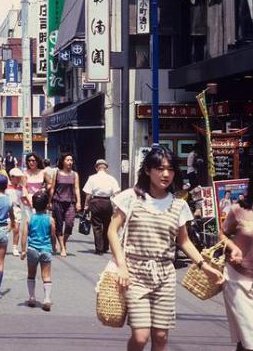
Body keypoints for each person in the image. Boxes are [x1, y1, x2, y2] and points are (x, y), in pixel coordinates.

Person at [108, 146, 223, 351]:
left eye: (170, 169)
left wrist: (204, 266)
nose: (166, 174)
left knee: (160, 337)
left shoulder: (179, 205)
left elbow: (184, 241)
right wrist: (122, 266)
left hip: (165, 276)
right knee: (141, 336)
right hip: (134, 274)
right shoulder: (130, 198)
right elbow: (112, 231)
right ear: (147, 171)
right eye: (160, 169)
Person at [220, 175, 253, 351]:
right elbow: (222, 233)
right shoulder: (238, 210)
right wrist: (233, 247)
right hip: (238, 279)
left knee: (246, 339)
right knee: (250, 338)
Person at [20, 192, 56, 310]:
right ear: (47, 205)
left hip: (32, 249)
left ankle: (31, 297)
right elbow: (53, 235)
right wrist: (54, 247)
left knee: (31, 274)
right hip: (46, 249)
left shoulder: (29, 218)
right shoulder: (50, 220)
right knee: (46, 275)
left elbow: (24, 235)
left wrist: (23, 250)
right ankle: (47, 299)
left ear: (33, 205)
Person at [82, 159, 121, 255]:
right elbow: (117, 193)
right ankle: (105, 246)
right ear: (106, 168)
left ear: (96, 168)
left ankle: (99, 249)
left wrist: (86, 205)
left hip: (95, 202)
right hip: (107, 202)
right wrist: (116, 206)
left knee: (97, 226)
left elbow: (88, 194)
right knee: (107, 225)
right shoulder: (111, 179)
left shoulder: (92, 178)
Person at [47, 153, 81, 257]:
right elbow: (52, 188)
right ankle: (62, 246)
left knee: (70, 224)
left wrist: (79, 202)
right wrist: (49, 202)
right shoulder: (56, 173)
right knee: (59, 225)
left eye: (71, 160)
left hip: (70, 202)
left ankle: (64, 241)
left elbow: (76, 188)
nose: (70, 162)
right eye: (67, 160)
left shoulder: (74, 174)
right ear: (63, 161)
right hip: (58, 201)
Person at [6, 168, 27, 257]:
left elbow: (23, 199)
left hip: (17, 209)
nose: (18, 179)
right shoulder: (6, 186)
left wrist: (30, 204)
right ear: (12, 177)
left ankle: (15, 248)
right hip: (6, 210)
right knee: (7, 228)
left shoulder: (21, 188)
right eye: (16, 177)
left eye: (19, 177)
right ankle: (1, 244)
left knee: (17, 229)